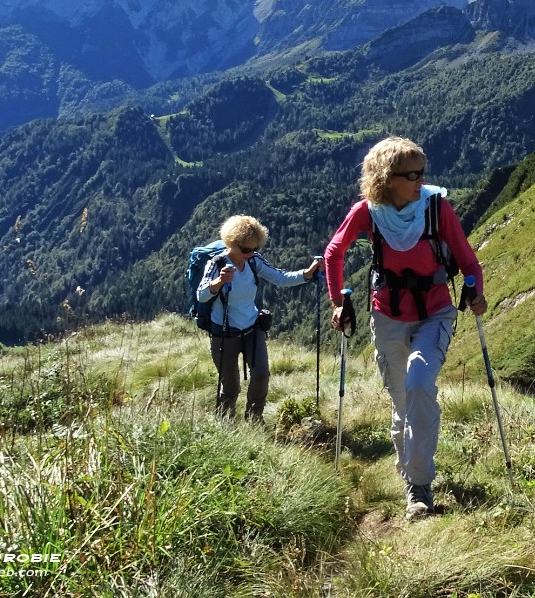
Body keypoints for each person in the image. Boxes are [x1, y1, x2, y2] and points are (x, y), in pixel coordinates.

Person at [324, 136, 486, 520]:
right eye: (411, 175)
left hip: (436, 313)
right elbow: (334, 251)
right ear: (386, 178)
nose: (420, 181)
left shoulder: (436, 206)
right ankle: (408, 468)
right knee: (401, 399)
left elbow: (469, 262)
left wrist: (476, 292)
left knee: (418, 384)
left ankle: (419, 487)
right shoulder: (368, 211)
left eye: (422, 172)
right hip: (388, 316)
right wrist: (337, 300)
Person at [198, 214, 320, 423]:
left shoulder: (254, 261)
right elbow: (201, 294)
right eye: (245, 249)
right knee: (230, 387)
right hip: (224, 334)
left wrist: (307, 274)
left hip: (252, 329)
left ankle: (254, 419)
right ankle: (225, 425)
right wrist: (219, 282)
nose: (250, 253)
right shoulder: (217, 264)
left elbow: (279, 277)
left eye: (255, 248)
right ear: (231, 243)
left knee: (262, 375)